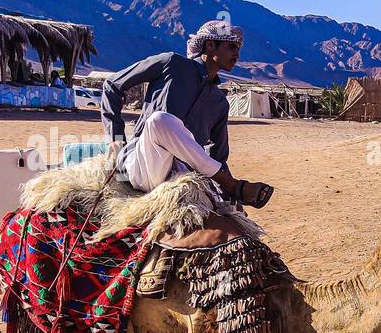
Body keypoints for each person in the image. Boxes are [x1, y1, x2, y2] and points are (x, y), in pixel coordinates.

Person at [100, 20, 273, 207]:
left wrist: (233, 204)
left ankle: (232, 191)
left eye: (238, 49)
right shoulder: (171, 64)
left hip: (181, 176)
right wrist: (115, 137)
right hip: (143, 164)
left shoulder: (220, 102)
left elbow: (217, 157)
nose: (237, 55)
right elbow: (112, 85)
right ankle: (233, 186)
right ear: (210, 45)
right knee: (159, 121)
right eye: (231, 47)